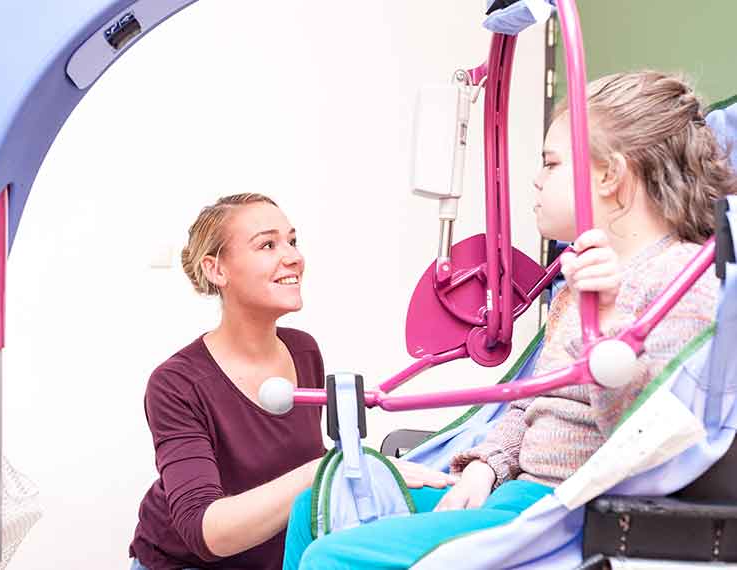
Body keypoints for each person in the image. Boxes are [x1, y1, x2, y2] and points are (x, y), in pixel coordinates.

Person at [283, 70, 737, 569]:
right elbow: (528, 405)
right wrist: (484, 466)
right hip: (511, 492)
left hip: (564, 514)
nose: (537, 179)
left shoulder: (686, 280)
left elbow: (645, 441)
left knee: (336, 558)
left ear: (610, 175)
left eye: (552, 162)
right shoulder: (577, 280)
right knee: (315, 506)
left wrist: (606, 326)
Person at [129, 193, 450, 570]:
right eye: (267, 244)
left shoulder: (304, 351)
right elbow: (207, 533)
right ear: (216, 270)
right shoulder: (177, 384)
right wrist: (324, 469)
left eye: (292, 241)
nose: (293, 257)